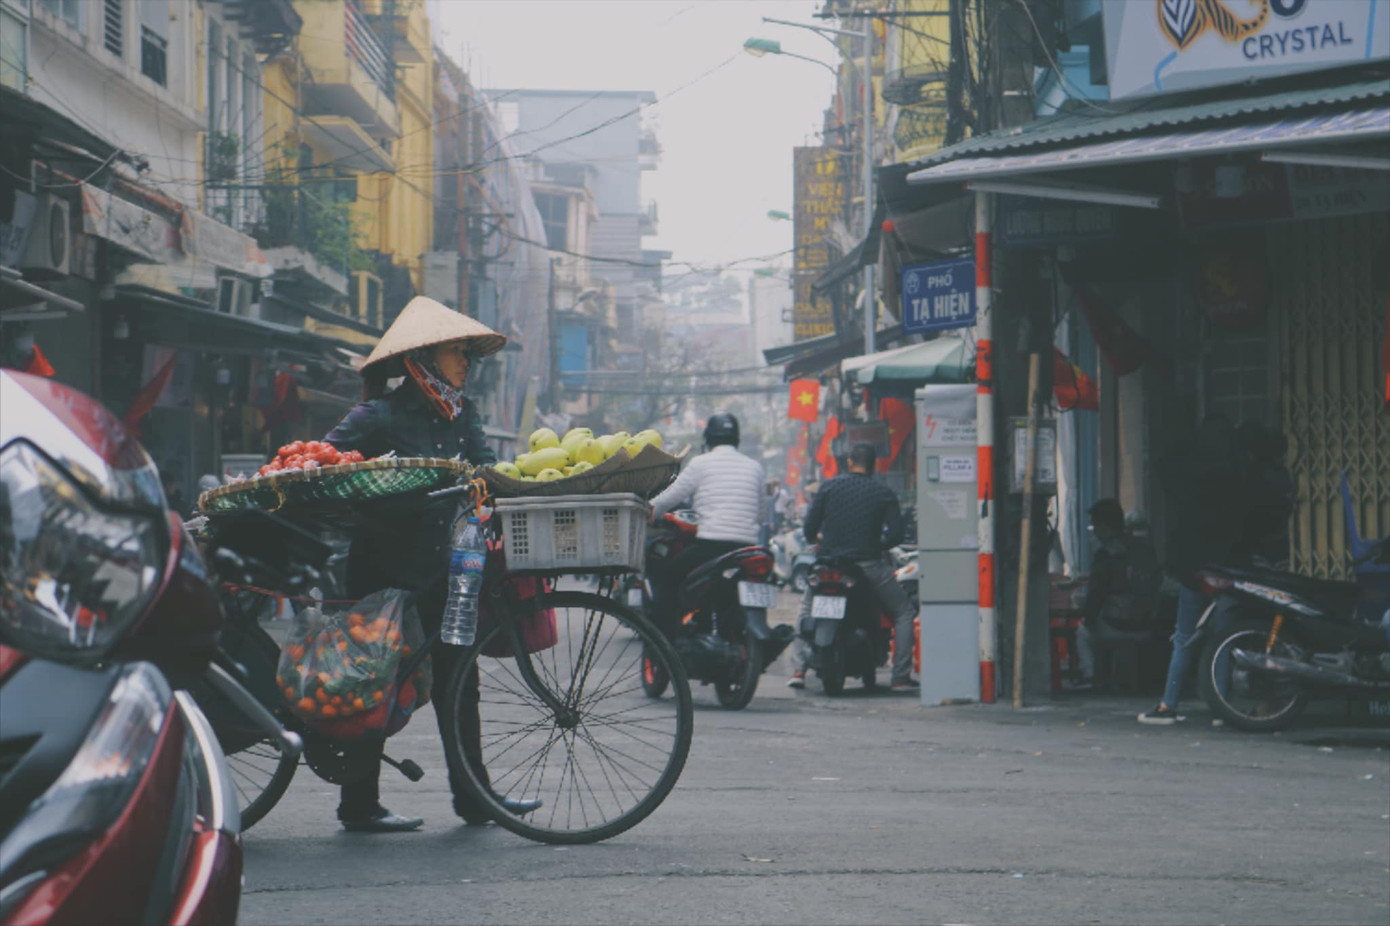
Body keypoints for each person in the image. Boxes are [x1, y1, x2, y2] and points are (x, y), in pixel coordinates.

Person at [322, 296, 540, 832]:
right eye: (455, 352)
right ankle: (359, 804)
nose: (465, 362)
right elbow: (323, 467)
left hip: (448, 573)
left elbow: (486, 469)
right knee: (374, 681)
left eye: (467, 353)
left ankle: (475, 798)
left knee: (461, 683)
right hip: (382, 571)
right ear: (423, 359)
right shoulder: (375, 417)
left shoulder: (462, 413)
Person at [1140, 414, 1246, 725]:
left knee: (1185, 637)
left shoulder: (1191, 478)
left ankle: (1168, 704)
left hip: (1196, 570)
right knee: (1224, 638)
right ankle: (1222, 707)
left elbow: (1164, 466)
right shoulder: (1235, 476)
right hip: (1227, 568)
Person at [787, 443, 918, 693]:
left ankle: (798, 670)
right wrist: (879, 545)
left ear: (849, 463)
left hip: (828, 565)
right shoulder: (883, 493)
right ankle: (900, 676)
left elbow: (809, 529)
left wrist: (819, 545)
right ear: (873, 465)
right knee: (903, 612)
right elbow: (896, 535)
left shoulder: (829, 487)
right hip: (867, 565)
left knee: (805, 610)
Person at [648, 413, 765, 636]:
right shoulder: (755, 467)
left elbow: (667, 499)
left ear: (708, 439)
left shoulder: (700, 463)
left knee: (667, 578)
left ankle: (663, 645)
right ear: (736, 439)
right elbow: (760, 516)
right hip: (748, 549)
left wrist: (647, 511)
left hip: (711, 547)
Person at [1079, 499, 1162, 690]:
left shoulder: (1106, 554)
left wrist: (1088, 618)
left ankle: (1091, 678)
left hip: (1117, 625)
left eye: (1095, 526)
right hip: (1148, 624)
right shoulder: (1145, 549)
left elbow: (1096, 595)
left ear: (1102, 526)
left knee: (1082, 633)